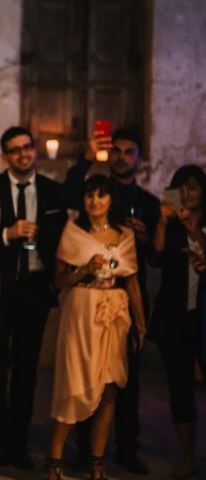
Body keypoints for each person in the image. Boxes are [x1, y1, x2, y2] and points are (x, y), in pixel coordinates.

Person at [0, 127, 66, 472]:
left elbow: (63, 240)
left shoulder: (54, 192)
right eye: (15, 150)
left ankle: (19, 446)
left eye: (27, 147)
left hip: (36, 292)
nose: (23, 154)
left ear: (33, 150)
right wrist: (7, 234)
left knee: (27, 372)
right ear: (5, 155)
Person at [62, 127, 158, 474]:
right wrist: (86, 158)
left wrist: (147, 238)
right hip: (88, 298)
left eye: (127, 151)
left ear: (138, 159)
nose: (120, 156)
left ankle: (127, 450)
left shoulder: (148, 203)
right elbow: (68, 196)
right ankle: (84, 449)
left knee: (123, 380)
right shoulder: (94, 191)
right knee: (86, 377)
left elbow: (158, 259)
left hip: (125, 296)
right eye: (115, 151)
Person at [46, 174, 146, 480]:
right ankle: (55, 461)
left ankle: (97, 461)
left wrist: (141, 324)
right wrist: (84, 270)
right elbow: (58, 280)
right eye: (90, 195)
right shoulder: (74, 232)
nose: (95, 201)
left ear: (111, 199)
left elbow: (132, 283)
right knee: (72, 381)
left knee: (109, 386)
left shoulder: (124, 235)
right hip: (81, 310)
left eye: (101, 195)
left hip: (114, 313)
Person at [149, 165, 206, 479]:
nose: (187, 193)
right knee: (180, 389)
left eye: (193, 187)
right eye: (182, 188)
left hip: (203, 318)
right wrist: (163, 220)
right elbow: (155, 258)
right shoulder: (171, 226)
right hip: (176, 319)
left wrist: (194, 230)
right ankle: (187, 458)